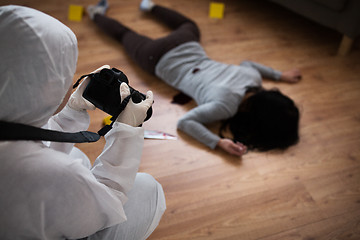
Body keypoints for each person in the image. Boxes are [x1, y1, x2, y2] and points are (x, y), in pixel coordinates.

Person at [0, 5, 165, 240]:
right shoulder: (49, 173)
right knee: (147, 189)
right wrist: (127, 132)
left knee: (77, 158)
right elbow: (109, 199)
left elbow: (26, 142)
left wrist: (69, 115)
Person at [87, 0, 302, 157]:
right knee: (124, 35)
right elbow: (185, 123)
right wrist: (217, 142)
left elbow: (248, 63)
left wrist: (279, 75)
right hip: (156, 58)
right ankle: (95, 13)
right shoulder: (225, 107)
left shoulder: (253, 78)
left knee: (189, 25)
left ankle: (150, 6)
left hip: (186, 43)